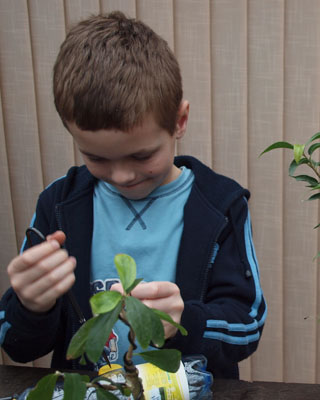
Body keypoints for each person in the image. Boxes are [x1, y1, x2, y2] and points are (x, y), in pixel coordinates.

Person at [0, 11, 266, 379]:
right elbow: (16, 342)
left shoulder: (220, 206)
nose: (122, 176)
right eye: (96, 158)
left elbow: (248, 325)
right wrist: (31, 305)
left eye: (141, 156)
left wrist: (186, 321)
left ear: (179, 121)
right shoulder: (59, 205)